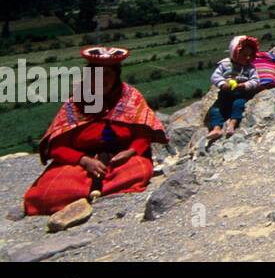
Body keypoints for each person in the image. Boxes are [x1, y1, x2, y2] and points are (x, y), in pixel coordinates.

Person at [23, 47, 168, 216]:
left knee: (139, 169)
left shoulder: (131, 97)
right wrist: (84, 161)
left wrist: (130, 151)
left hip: (119, 160)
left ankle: (86, 192)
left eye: (107, 74)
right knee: (46, 193)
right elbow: (57, 147)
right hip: (80, 163)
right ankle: (96, 189)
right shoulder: (75, 104)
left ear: (116, 75)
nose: (101, 80)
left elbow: (144, 134)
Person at [206, 35, 262, 144]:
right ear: (235, 53)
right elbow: (215, 77)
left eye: (250, 55)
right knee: (216, 109)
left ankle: (232, 124)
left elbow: (255, 81)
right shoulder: (225, 64)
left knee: (238, 105)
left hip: (241, 94)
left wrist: (244, 85)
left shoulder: (250, 68)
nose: (248, 58)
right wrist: (223, 84)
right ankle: (217, 128)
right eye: (244, 55)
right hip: (225, 94)